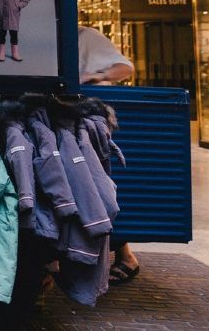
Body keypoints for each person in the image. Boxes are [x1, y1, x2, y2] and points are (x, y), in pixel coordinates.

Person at [78, 25, 138, 284]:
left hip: (85, 124)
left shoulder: (84, 36)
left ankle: (125, 255)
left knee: (98, 189)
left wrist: (94, 75)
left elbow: (125, 68)